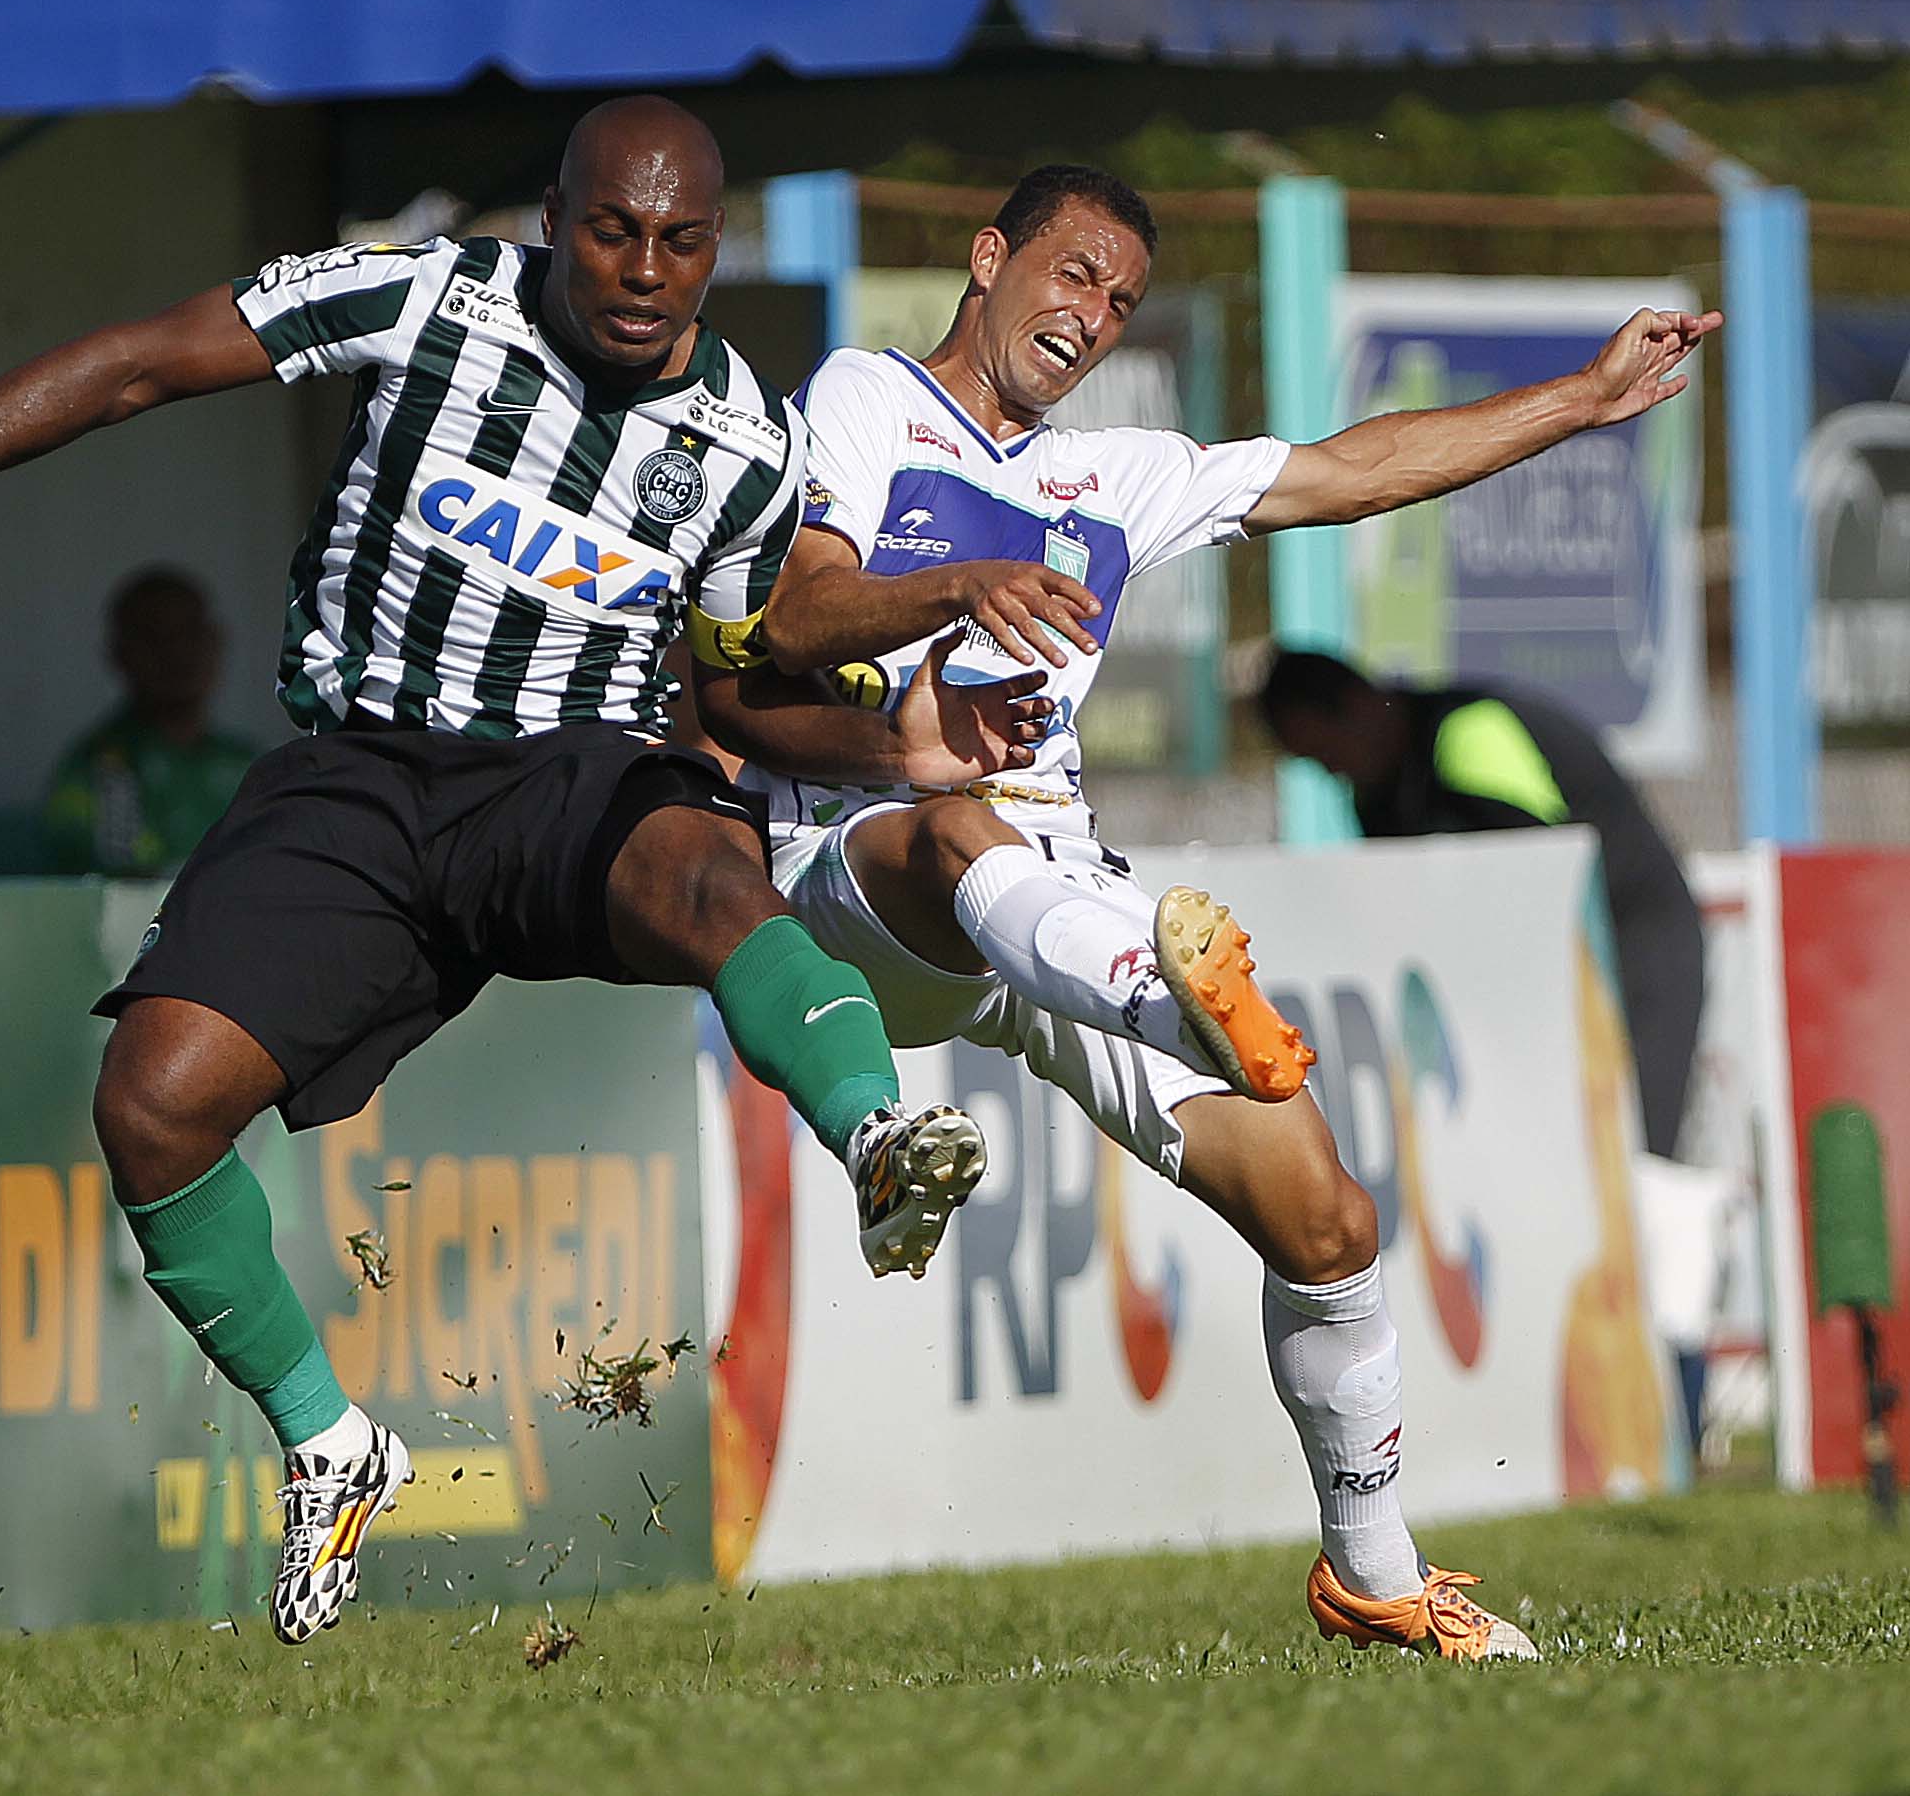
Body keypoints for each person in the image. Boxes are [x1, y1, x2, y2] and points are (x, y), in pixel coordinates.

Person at [0, 97, 1008, 1647]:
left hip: (568, 778)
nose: (643, 271)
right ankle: (333, 1443)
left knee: (704, 868)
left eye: (680, 242)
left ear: (714, 247)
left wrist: (900, 747)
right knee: (152, 1104)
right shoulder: (421, 299)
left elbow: (735, 693)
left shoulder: (750, 440)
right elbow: (141, 362)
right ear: (556, 221)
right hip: (362, 776)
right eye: (613, 232)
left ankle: (877, 1134)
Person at [694, 160, 1716, 1664]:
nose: (1092, 314)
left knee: (1326, 1215)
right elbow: (800, 609)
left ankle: (1374, 1572)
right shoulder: (863, 399)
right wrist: (958, 592)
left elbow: (1350, 470)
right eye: (1072, 273)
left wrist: (1580, 399)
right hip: (869, 870)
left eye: (1121, 299)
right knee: (963, 826)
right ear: (987, 257)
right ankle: (1170, 996)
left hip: (1056, 895)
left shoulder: (1116, 477)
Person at [1254, 650, 1706, 1162]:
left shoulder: (1467, 729)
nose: (1333, 771)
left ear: (1360, 704)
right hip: (1544, 973)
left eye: (1326, 751)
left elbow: (1544, 867)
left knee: (1632, 1151)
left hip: (1634, 942)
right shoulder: (1376, 795)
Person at [41, 567, 259, 876]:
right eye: (155, 637)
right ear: (119, 654)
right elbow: (119, 883)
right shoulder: (101, 768)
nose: (178, 653)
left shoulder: (249, 765)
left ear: (216, 640)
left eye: (190, 632)